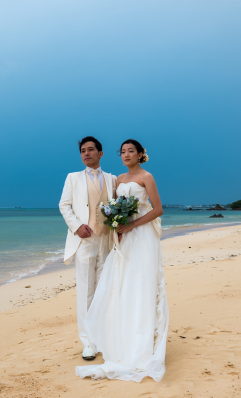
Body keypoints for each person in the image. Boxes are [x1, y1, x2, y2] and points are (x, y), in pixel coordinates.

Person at [75, 138, 169, 382]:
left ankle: (144, 344)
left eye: (131, 151)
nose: (126, 155)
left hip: (143, 237)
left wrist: (132, 224)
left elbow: (158, 209)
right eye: (123, 152)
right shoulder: (118, 179)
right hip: (124, 238)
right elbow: (115, 206)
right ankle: (125, 338)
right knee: (125, 284)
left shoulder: (147, 177)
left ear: (140, 154)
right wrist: (116, 222)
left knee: (143, 284)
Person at [59, 136, 117, 361]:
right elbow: (64, 205)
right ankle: (88, 343)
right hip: (84, 240)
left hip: (107, 240)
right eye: (83, 150)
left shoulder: (112, 179)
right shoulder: (73, 178)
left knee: (104, 290)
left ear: (100, 153)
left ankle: (103, 337)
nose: (86, 154)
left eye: (91, 150)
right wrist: (76, 227)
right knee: (85, 292)